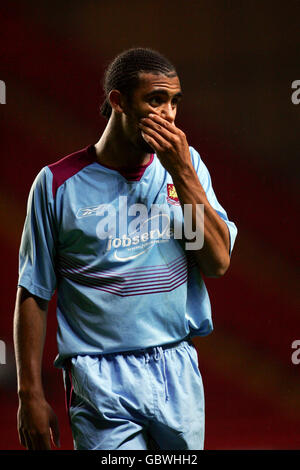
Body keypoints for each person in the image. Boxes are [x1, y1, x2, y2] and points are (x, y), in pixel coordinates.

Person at [14, 47, 237, 451]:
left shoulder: (186, 169)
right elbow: (33, 293)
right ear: (117, 101)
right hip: (100, 376)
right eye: (156, 100)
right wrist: (28, 393)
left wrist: (182, 173)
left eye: (174, 102)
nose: (169, 113)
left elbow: (217, 261)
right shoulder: (56, 185)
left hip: (176, 364)